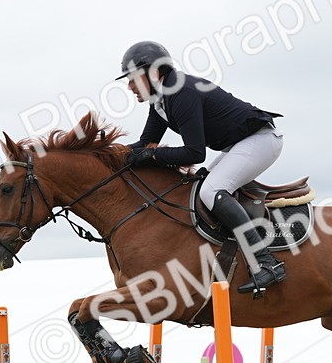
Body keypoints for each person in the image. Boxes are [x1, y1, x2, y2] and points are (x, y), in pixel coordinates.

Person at [118, 41, 287, 297]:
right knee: (201, 186)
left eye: (132, 78)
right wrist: (110, 155)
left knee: (211, 191)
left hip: (260, 141)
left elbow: (195, 153)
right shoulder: (160, 100)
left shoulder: (181, 92)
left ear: (153, 73)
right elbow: (145, 143)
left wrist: (150, 155)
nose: (129, 86)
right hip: (238, 144)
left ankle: (267, 262)